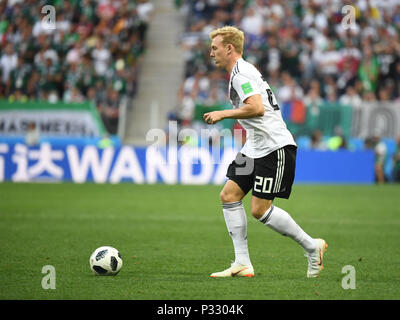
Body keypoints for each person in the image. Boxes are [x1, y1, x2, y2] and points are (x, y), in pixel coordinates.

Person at [203, 26, 327, 278]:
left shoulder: (241, 73)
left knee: (259, 210)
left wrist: (222, 113)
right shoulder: (241, 72)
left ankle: (312, 246)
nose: (211, 52)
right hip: (255, 146)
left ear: (229, 48)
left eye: (215, 48)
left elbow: (257, 108)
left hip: (274, 146)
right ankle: (242, 263)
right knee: (229, 195)